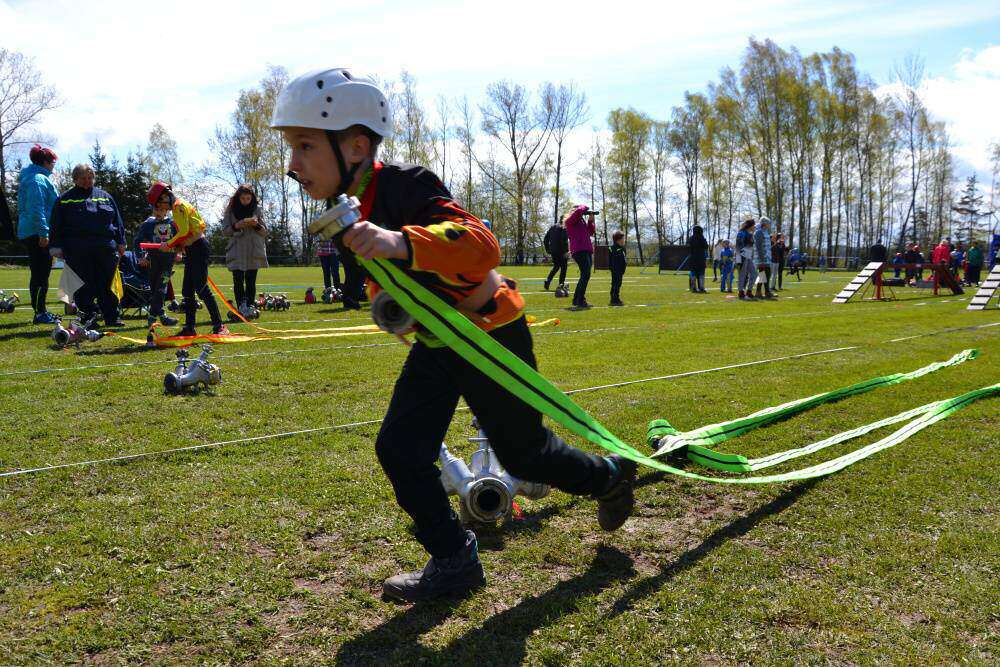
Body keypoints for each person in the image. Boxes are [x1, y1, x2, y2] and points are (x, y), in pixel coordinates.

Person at [271, 67, 636, 603]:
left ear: (353, 144)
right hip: (440, 345)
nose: (292, 165)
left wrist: (399, 241)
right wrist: (387, 306)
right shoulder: (347, 215)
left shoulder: (404, 186)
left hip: (490, 334)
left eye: (304, 146)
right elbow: (388, 287)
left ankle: (608, 476)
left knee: (525, 455)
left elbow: (478, 245)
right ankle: (454, 560)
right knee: (400, 449)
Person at [48, 164, 127, 328]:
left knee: (108, 284)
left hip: (105, 248)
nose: (87, 181)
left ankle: (112, 317)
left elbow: (117, 222)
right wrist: (56, 247)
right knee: (83, 285)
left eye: (90, 178)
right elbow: (56, 225)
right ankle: (88, 318)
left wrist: (121, 242)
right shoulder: (64, 199)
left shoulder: (105, 197)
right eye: (83, 178)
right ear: (75, 179)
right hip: (77, 250)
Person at [147, 182, 228, 336]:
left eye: (160, 204)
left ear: (165, 196)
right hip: (192, 248)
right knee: (187, 290)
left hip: (199, 248)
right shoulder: (178, 206)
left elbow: (184, 231)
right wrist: (178, 245)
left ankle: (220, 326)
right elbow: (189, 231)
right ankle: (190, 328)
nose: (161, 208)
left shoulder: (178, 206)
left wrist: (169, 243)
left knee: (202, 288)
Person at [16, 144, 59, 324]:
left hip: (32, 231)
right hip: (38, 233)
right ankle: (40, 313)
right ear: (45, 162)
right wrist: (44, 233)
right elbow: (37, 209)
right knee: (41, 274)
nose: (54, 165)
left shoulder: (31, 178)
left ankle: (40, 311)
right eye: (53, 162)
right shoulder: (37, 180)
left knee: (39, 273)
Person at [222, 184, 268, 319]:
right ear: (238, 198)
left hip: (254, 249)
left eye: (248, 198)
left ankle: (250, 305)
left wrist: (256, 225)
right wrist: (236, 225)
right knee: (237, 279)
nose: (246, 201)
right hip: (237, 249)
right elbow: (225, 231)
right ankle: (241, 306)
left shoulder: (257, 209)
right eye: (243, 198)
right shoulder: (230, 210)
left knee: (251, 280)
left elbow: (265, 232)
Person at [134, 202, 179, 327]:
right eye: (156, 209)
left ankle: (152, 317)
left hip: (167, 262)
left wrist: (179, 252)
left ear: (166, 210)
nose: (158, 212)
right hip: (153, 262)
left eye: (161, 209)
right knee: (155, 290)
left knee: (161, 288)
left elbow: (179, 239)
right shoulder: (148, 225)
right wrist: (141, 257)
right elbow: (137, 241)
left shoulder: (173, 224)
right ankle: (163, 317)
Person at [564, 204, 596, 309]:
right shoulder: (570, 220)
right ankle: (580, 300)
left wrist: (590, 221)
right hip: (579, 250)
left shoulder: (581, 221)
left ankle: (577, 299)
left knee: (585, 275)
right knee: (585, 274)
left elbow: (590, 232)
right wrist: (584, 207)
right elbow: (578, 212)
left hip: (586, 250)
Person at [542, 218, 569, 292]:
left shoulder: (552, 227)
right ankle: (561, 285)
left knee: (556, 267)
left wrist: (548, 249)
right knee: (564, 268)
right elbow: (564, 240)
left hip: (553, 251)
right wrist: (566, 251)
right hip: (561, 251)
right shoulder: (564, 227)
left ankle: (548, 281)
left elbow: (545, 239)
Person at [753, 217, 777, 299]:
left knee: (766, 274)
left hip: (767, 258)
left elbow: (766, 245)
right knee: (762, 274)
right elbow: (759, 246)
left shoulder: (766, 232)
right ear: (764, 223)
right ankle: (760, 292)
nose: (769, 225)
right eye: (768, 223)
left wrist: (773, 243)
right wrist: (762, 258)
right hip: (761, 258)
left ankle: (765, 292)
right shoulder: (758, 233)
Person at [735, 219, 757, 300]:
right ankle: (741, 292)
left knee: (754, 274)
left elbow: (750, 247)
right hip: (742, 256)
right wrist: (738, 259)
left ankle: (749, 291)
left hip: (749, 257)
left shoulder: (751, 234)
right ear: (750, 225)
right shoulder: (741, 233)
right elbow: (738, 246)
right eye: (754, 225)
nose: (754, 226)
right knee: (742, 275)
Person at [687, 225, 708, 293]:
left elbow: (688, 247)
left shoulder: (691, 239)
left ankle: (693, 288)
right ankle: (701, 288)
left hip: (692, 259)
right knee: (701, 274)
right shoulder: (702, 238)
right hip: (701, 259)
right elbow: (706, 246)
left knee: (693, 274)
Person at [609, 230, 626, 306]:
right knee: (616, 284)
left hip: (618, 270)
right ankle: (615, 299)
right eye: (623, 238)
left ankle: (614, 298)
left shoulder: (620, 248)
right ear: (618, 240)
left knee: (615, 283)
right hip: (616, 270)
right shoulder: (616, 249)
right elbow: (614, 260)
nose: (624, 240)